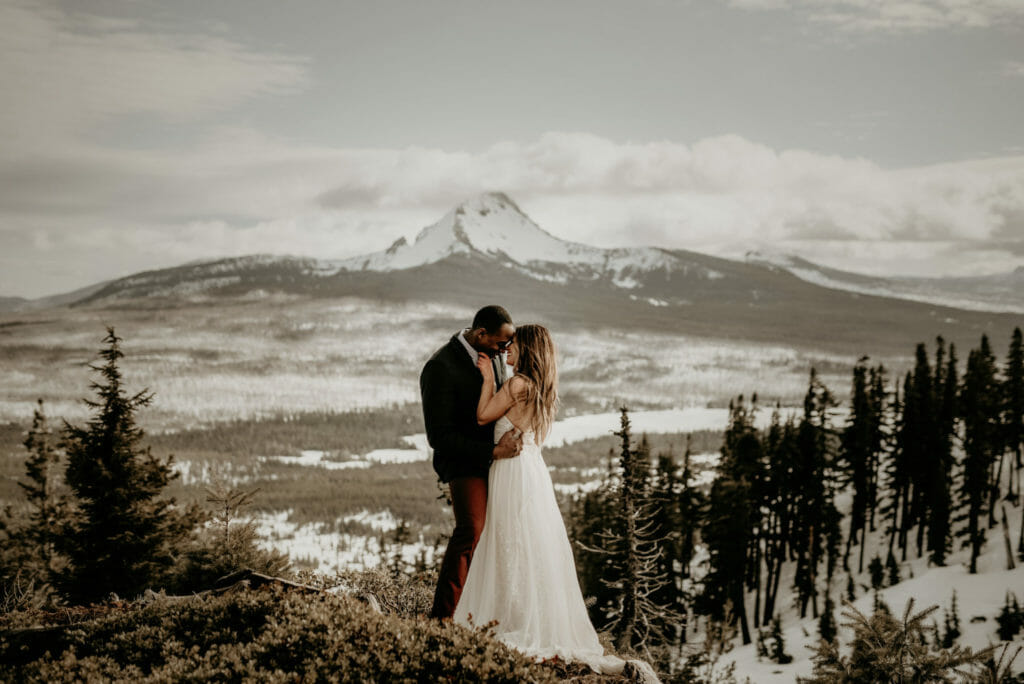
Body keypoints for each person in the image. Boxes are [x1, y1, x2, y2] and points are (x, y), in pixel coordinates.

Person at [452, 323, 626, 675]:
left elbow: (483, 416)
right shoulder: (539, 388)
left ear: (527, 349)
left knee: (507, 543)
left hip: (511, 472)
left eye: (513, 345)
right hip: (531, 469)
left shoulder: (516, 384)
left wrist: (487, 378)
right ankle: (526, 614)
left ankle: (510, 618)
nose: (507, 351)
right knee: (527, 544)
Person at [420, 305, 524, 620]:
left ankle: (487, 614)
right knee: (471, 529)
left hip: (498, 460)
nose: (505, 350)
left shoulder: (493, 357)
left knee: (502, 533)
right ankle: (442, 619)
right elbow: (440, 437)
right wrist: (492, 452)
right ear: (481, 334)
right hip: (465, 462)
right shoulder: (440, 367)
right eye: (500, 343)